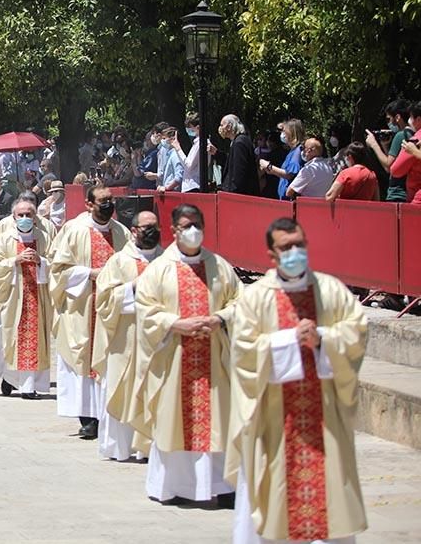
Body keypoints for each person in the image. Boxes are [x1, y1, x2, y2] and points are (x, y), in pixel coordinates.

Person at [228, 217, 368, 544]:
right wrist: (289, 339)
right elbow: (243, 353)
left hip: (325, 419)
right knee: (274, 492)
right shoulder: (256, 297)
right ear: (271, 255)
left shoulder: (331, 290)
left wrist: (321, 336)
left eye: (299, 245)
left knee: (330, 489)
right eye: (286, 247)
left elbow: (357, 332)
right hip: (275, 418)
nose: (295, 252)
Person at [133, 204, 241, 505]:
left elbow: (241, 302)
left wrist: (219, 319)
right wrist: (175, 323)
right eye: (185, 225)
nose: (192, 230)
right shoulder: (160, 269)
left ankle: (221, 485)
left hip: (214, 358)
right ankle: (173, 486)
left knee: (218, 420)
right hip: (174, 360)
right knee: (174, 420)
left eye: (196, 224)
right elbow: (146, 310)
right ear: (175, 230)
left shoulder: (220, 266)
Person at [49, 185, 130, 440]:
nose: (108, 205)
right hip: (82, 308)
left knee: (109, 359)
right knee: (82, 360)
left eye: (110, 200)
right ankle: (88, 419)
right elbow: (58, 270)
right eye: (102, 201)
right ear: (88, 204)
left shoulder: (122, 232)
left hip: (112, 310)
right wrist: (90, 274)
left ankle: (108, 414)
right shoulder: (74, 230)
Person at [92, 210, 163, 461]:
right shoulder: (120, 262)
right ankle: (119, 447)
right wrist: (133, 286)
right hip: (127, 339)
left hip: (159, 342)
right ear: (134, 231)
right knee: (122, 388)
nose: (152, 231)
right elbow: (104, 300)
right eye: (146, 227)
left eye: (155, 226)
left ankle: (150, 448)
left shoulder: (167, 260)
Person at [0, 198, 55, 399]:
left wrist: (41, 261)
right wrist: (15, 260)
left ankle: (29, 386)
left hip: (37, 297)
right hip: (13, 298)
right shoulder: (6, 238)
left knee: (34, 340)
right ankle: (10, 378)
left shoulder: (44, 237)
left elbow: (57, 263)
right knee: (10, 340)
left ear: (35, 217)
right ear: (14, 217)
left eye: (28, 215)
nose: (24, 218)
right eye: (20, 215)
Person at [365, 98, 413, 202]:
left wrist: (374, 144)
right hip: (408, 192)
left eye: (388, 119)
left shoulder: (400, 135)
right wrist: (385, 146)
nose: (388, 123)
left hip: (397, 194)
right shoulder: (412, 134)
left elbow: (389, 166)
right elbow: (397, 164)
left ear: (397, 117)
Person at [261, 119, 305, 200]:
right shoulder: (292, 151)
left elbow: (289, 174)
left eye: (285, 131)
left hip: (290, 200)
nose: (282, 134)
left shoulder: (297, 152)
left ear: (292, 133)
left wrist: (269, 167)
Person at [219, 114, 260, 196]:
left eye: (222, 125)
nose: (220, 128)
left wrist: (231, 193)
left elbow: (239, 173)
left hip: (240, 196)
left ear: (229, 126)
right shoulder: (239, 141)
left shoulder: (239, 143)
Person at [389, 105, 421, 203]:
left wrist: (414, 151)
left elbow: (395, 170)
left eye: (411, 117)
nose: (409, 121)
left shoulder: (414, 142)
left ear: (418, 119)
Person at [172, 115, 205, 193]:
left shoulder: (200, 144)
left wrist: (178, 148)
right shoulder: (196, 143)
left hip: (193, 185)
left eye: (190, 127)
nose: (188, 130)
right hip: (191, 186)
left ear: (198, 127)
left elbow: (189, 165)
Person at [156, 126, 185, 193]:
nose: (162, 141)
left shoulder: (175, 155)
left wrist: (166, 188)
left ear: (172, 138)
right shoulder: (170, 154)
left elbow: (179, 176)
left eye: (164, 138)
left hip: (173, 192)